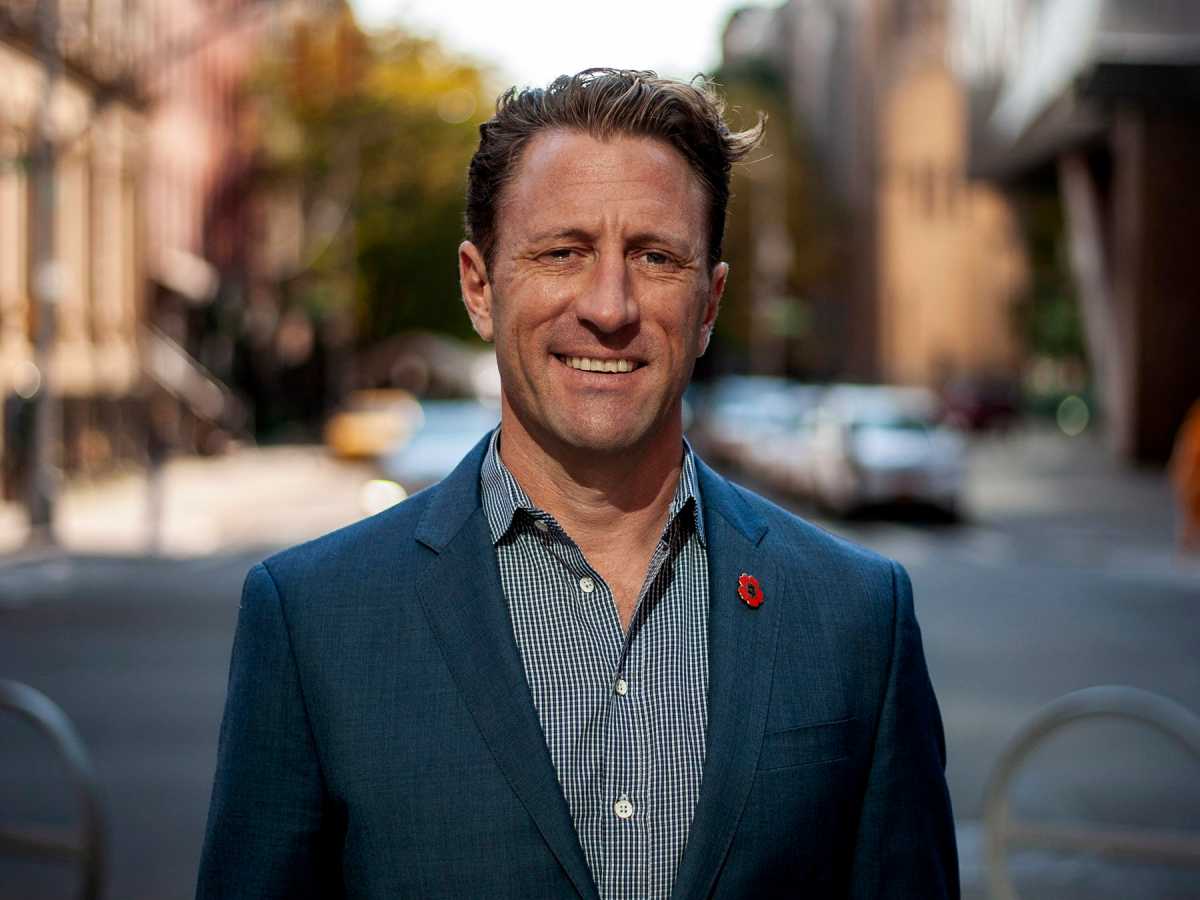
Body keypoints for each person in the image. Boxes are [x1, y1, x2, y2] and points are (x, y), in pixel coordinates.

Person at [197, 68, 958, 899]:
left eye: (656, 256)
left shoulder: (856, 616)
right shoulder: (312, 620)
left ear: (710, 303)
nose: (609, 305)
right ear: (480, 287)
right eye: (563, 252)